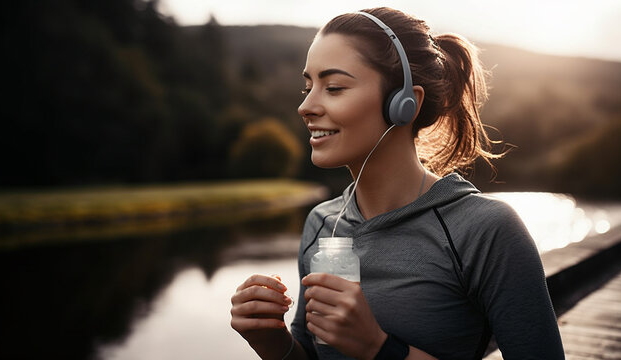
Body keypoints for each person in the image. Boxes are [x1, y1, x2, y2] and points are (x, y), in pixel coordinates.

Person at [230, 7, 565, 360]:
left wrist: (379, 349)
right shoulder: (320, 224)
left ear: (404, 104)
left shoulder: (485, 230)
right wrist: (273, 342)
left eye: (334, 87)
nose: (306, 106)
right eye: (308, 86)